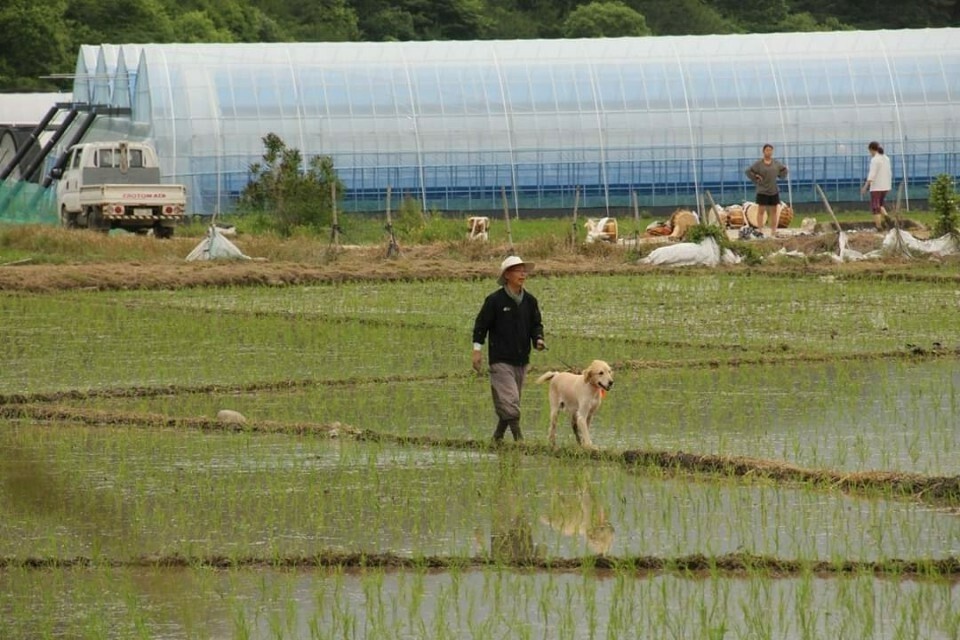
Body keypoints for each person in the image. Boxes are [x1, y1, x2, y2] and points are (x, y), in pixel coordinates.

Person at [472, 256, 545, 443]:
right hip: (500, 359)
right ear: (507, 275)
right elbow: (481, 326)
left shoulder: (530, 301)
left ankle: (497, 437)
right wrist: (477, 350)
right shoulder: (494, 301)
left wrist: (538, 339)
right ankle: (519, 440)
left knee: (510, 402)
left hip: (521, 359)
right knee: (510, 401)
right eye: (517, 270)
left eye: (523, 270)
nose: (522, 274)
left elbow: (536, 324)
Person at [745, 144, 789, 237]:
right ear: (763, 151)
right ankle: (760, 230)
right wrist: (755, 177)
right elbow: (748, 171)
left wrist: (782, 175)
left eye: (770, 150)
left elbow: (784, 170)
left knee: (774, 212)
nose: (769, 152)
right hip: (762, 190)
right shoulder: (759, 164)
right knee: (761, 211)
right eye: (767, 150)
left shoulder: (776, 163)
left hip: (773, 190)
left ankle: (773, 231)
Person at [861, 141, 893, 230]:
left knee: (875, 207)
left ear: (871, 149)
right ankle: (888, 219)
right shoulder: (886, 158)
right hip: (885, 186)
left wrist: (865, 186)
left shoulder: (875, 160)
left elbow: (872, 174)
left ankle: (879, 227)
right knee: (880, 204)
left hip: (877, 187)